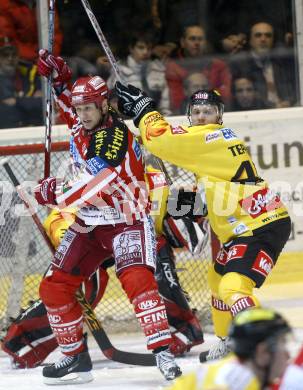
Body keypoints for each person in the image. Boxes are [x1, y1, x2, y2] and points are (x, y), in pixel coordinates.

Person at [33, 49, 182, 384]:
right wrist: (59, 81)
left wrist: (52, 192)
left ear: (104, 106)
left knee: (137, 282)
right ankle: (75, 357)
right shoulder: (84, 121)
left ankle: (163, 353)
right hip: (89, 224)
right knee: (54, 287)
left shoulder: (112, 136)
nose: (82, 114)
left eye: (89, 108)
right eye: (79, 108)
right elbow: (71, 107)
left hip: (124, 219)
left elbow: (93, 184)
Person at [115, 83, 291, 363]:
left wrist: (143, 110)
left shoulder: (211, 137)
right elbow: (211, 196)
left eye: (207, 111)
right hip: (248, 225)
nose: (200, 117)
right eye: (196, 111)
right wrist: (165, 210)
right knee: (217, 278)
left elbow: (159, 138)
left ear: (219, 116)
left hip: (260, 225)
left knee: (233, 287)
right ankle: (228, 341)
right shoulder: (213, 144)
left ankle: (264, 350)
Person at [1, 169, 206, 368]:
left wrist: (198, 212)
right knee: (77, 286)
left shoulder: (159, 187)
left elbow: (193, 218)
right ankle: (25, 342)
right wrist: (63, 236)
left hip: (132, 238)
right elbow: (61, 215)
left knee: (153, 263)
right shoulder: (93, 182)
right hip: (93, 240)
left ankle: (178, 331)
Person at [168, 307, 292, 390]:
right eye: (282, 345)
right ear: (263, 352)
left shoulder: (236, 368)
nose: (288, 355)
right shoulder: (240, 383)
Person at [165, 24, 232, 114]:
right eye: (192, 39)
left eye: (200, 39)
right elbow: (176, 103)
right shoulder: (172, 67)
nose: (197, 43)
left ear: (205, 43)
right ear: (183, 42)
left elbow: (226, 96)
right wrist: (211, 92)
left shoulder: (219, 66)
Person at [229, 21, 297, 108]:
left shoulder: (282, 63)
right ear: (250, 41)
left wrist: (288, 102)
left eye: (268, 36)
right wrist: (273, 106)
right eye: (258, 35)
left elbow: (294, 91)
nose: (263, 39)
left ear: (273, 40)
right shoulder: (240, 64)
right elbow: (244, 98)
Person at [107, 31, 172, 116]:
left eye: (149, 48)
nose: (145, 52)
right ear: (131, 48)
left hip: (154, 120)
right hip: (127, 120)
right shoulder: (119, 70)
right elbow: (110, 101)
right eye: (141, 48)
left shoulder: (158, 70)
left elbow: (165, 105)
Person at [0, 34, 43, 129]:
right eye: (5, 55)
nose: (10, 59)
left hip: (32, 128)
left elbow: (42, 103)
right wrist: (29, 101)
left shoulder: (30, 74)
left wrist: (16, 101)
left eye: (14, 54)